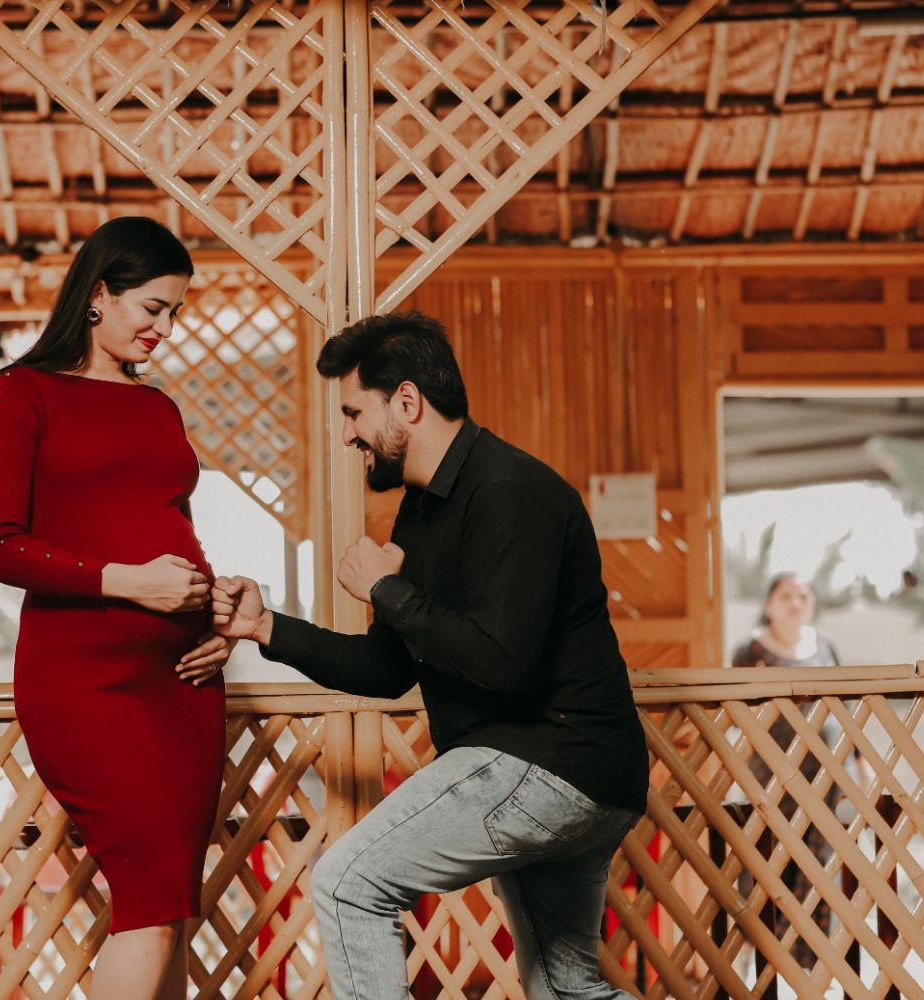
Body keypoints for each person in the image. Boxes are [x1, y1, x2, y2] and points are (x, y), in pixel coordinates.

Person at [210, 311, 649, 1000]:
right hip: (561, 769)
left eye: (354, 412)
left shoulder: (512, 492)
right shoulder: (420, 512)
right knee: (566, 992)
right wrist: (266, 627)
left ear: (407, 403)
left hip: (550, 761)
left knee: (348, 883)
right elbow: (386, 670)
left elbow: (504, 665)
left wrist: (387, 590)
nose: (348, 434)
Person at [0, 216, 233, 1000]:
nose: (165, 328)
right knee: (151, 907)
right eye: (152, 308)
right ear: (97, 295)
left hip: (185, 685)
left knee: (170, 907)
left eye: (174, 312)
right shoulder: (22, 393)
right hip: (86, 683)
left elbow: (175, 528)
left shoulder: (159, 409)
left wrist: (216, 615)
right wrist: (128, 583)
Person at [730, 571, 844, 972]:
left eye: (803, 596)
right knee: (767, 861)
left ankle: (809, 971)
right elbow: (739, 711)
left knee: (818, 865)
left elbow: (846, 709)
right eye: (786, 596)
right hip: (769, 776)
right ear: (769, 604)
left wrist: (859, 771)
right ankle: (758, 962)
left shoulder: (825, 646)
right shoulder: (749, 649)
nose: (795, 603)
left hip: (823, 779)